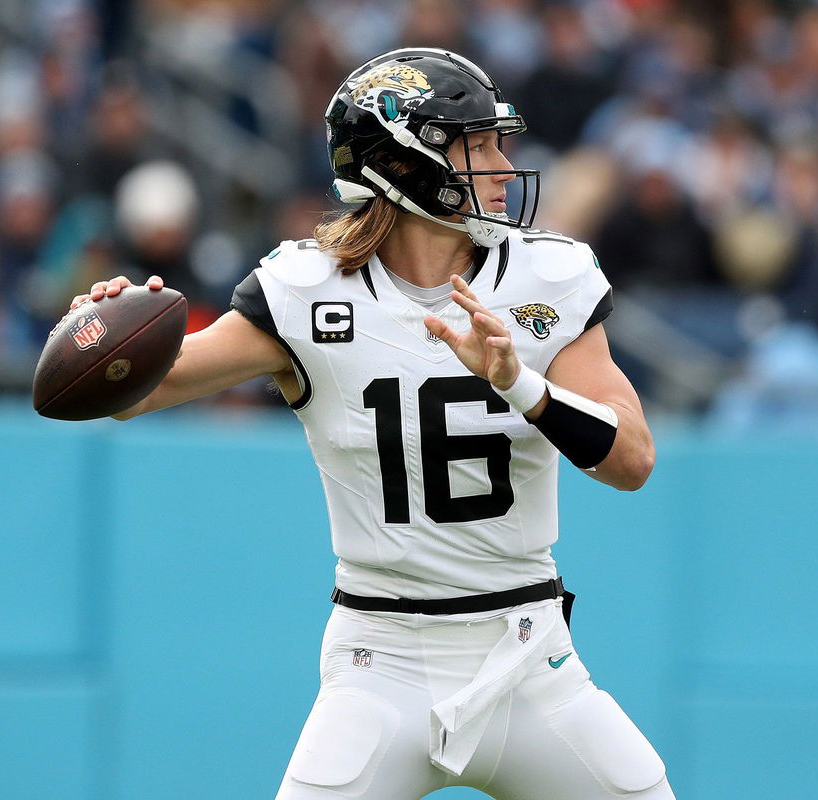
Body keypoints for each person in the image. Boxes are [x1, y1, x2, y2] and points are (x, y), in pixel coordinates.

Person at [70, 48, 673, 800]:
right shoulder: (303, 292)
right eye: (478, 144)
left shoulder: (548, 279)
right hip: (378, 663)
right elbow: (130, 394)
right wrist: (103, 339)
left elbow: (633, 460)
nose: (502, 162)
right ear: (409, 161)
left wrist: (518, 382)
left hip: (528, 658)